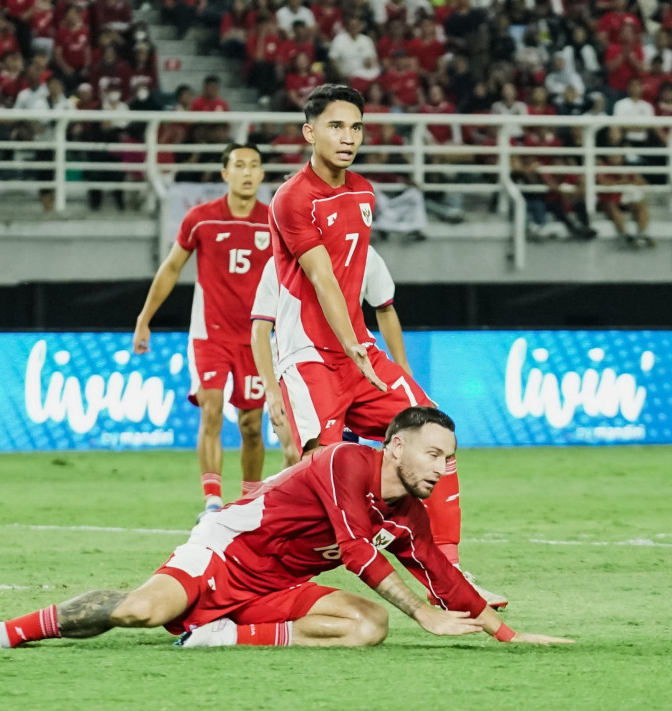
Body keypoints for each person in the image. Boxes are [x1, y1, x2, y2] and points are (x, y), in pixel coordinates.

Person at [0, 407, 573, 651]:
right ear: (396, 446)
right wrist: (425, 616)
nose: (443, 468)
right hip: (225, 551)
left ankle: (221, 636)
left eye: (451, 459)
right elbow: (357, 551)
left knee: (367, 627)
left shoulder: (409, 511)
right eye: (434, 455)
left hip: (279, 585)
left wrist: (508, 634)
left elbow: (440, 572)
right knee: (137, 611)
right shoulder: (343, 462)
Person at [266, 84, 507, 607]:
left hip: (360, 352)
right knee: (321, 477)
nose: (348, 137)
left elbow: (362, 282)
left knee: (434, 438)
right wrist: (350, 341)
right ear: (309, 132)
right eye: (335, 126)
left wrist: (365, 345)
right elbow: (322, 279)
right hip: (310, 357)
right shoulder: (292, 198)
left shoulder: (364, 192)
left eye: (355, 127)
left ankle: (451, 578)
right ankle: (261, 564)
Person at [133, 144, 271, 516]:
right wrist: (145, 319)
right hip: (210, 335)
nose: (247, 172)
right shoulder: (201, 219)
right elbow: (171, 268)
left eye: (254, 166)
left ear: (261, 174)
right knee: (212, 409)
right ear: (225, 173)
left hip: (256, 339)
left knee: (252, 424)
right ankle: (212, 501)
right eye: (239, 165)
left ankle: (248, 503)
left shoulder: (273, 222)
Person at [251, 245, 403, 468]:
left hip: (346, 369)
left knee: (343, 456)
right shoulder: (280, 263)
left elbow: (385, 308)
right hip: (294, 369)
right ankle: (280, 491)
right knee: (297, 454)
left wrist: (402, 365)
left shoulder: (363, 253)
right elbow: (260, 329)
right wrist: (272, 390)